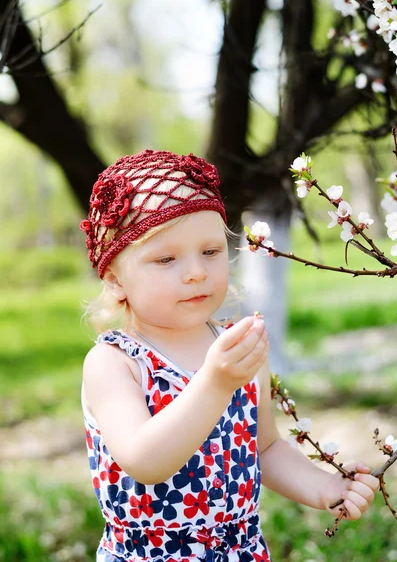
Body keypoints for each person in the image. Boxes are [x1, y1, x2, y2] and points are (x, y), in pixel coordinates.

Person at [80, 149, 379, 562]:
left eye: (211, 251)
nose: (196, 271)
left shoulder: (236, 349)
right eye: (166, 258)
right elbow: (143, 460)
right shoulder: (115, 363)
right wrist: (214, 383)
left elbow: (266, 448)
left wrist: (324, 487)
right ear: (115, 281)